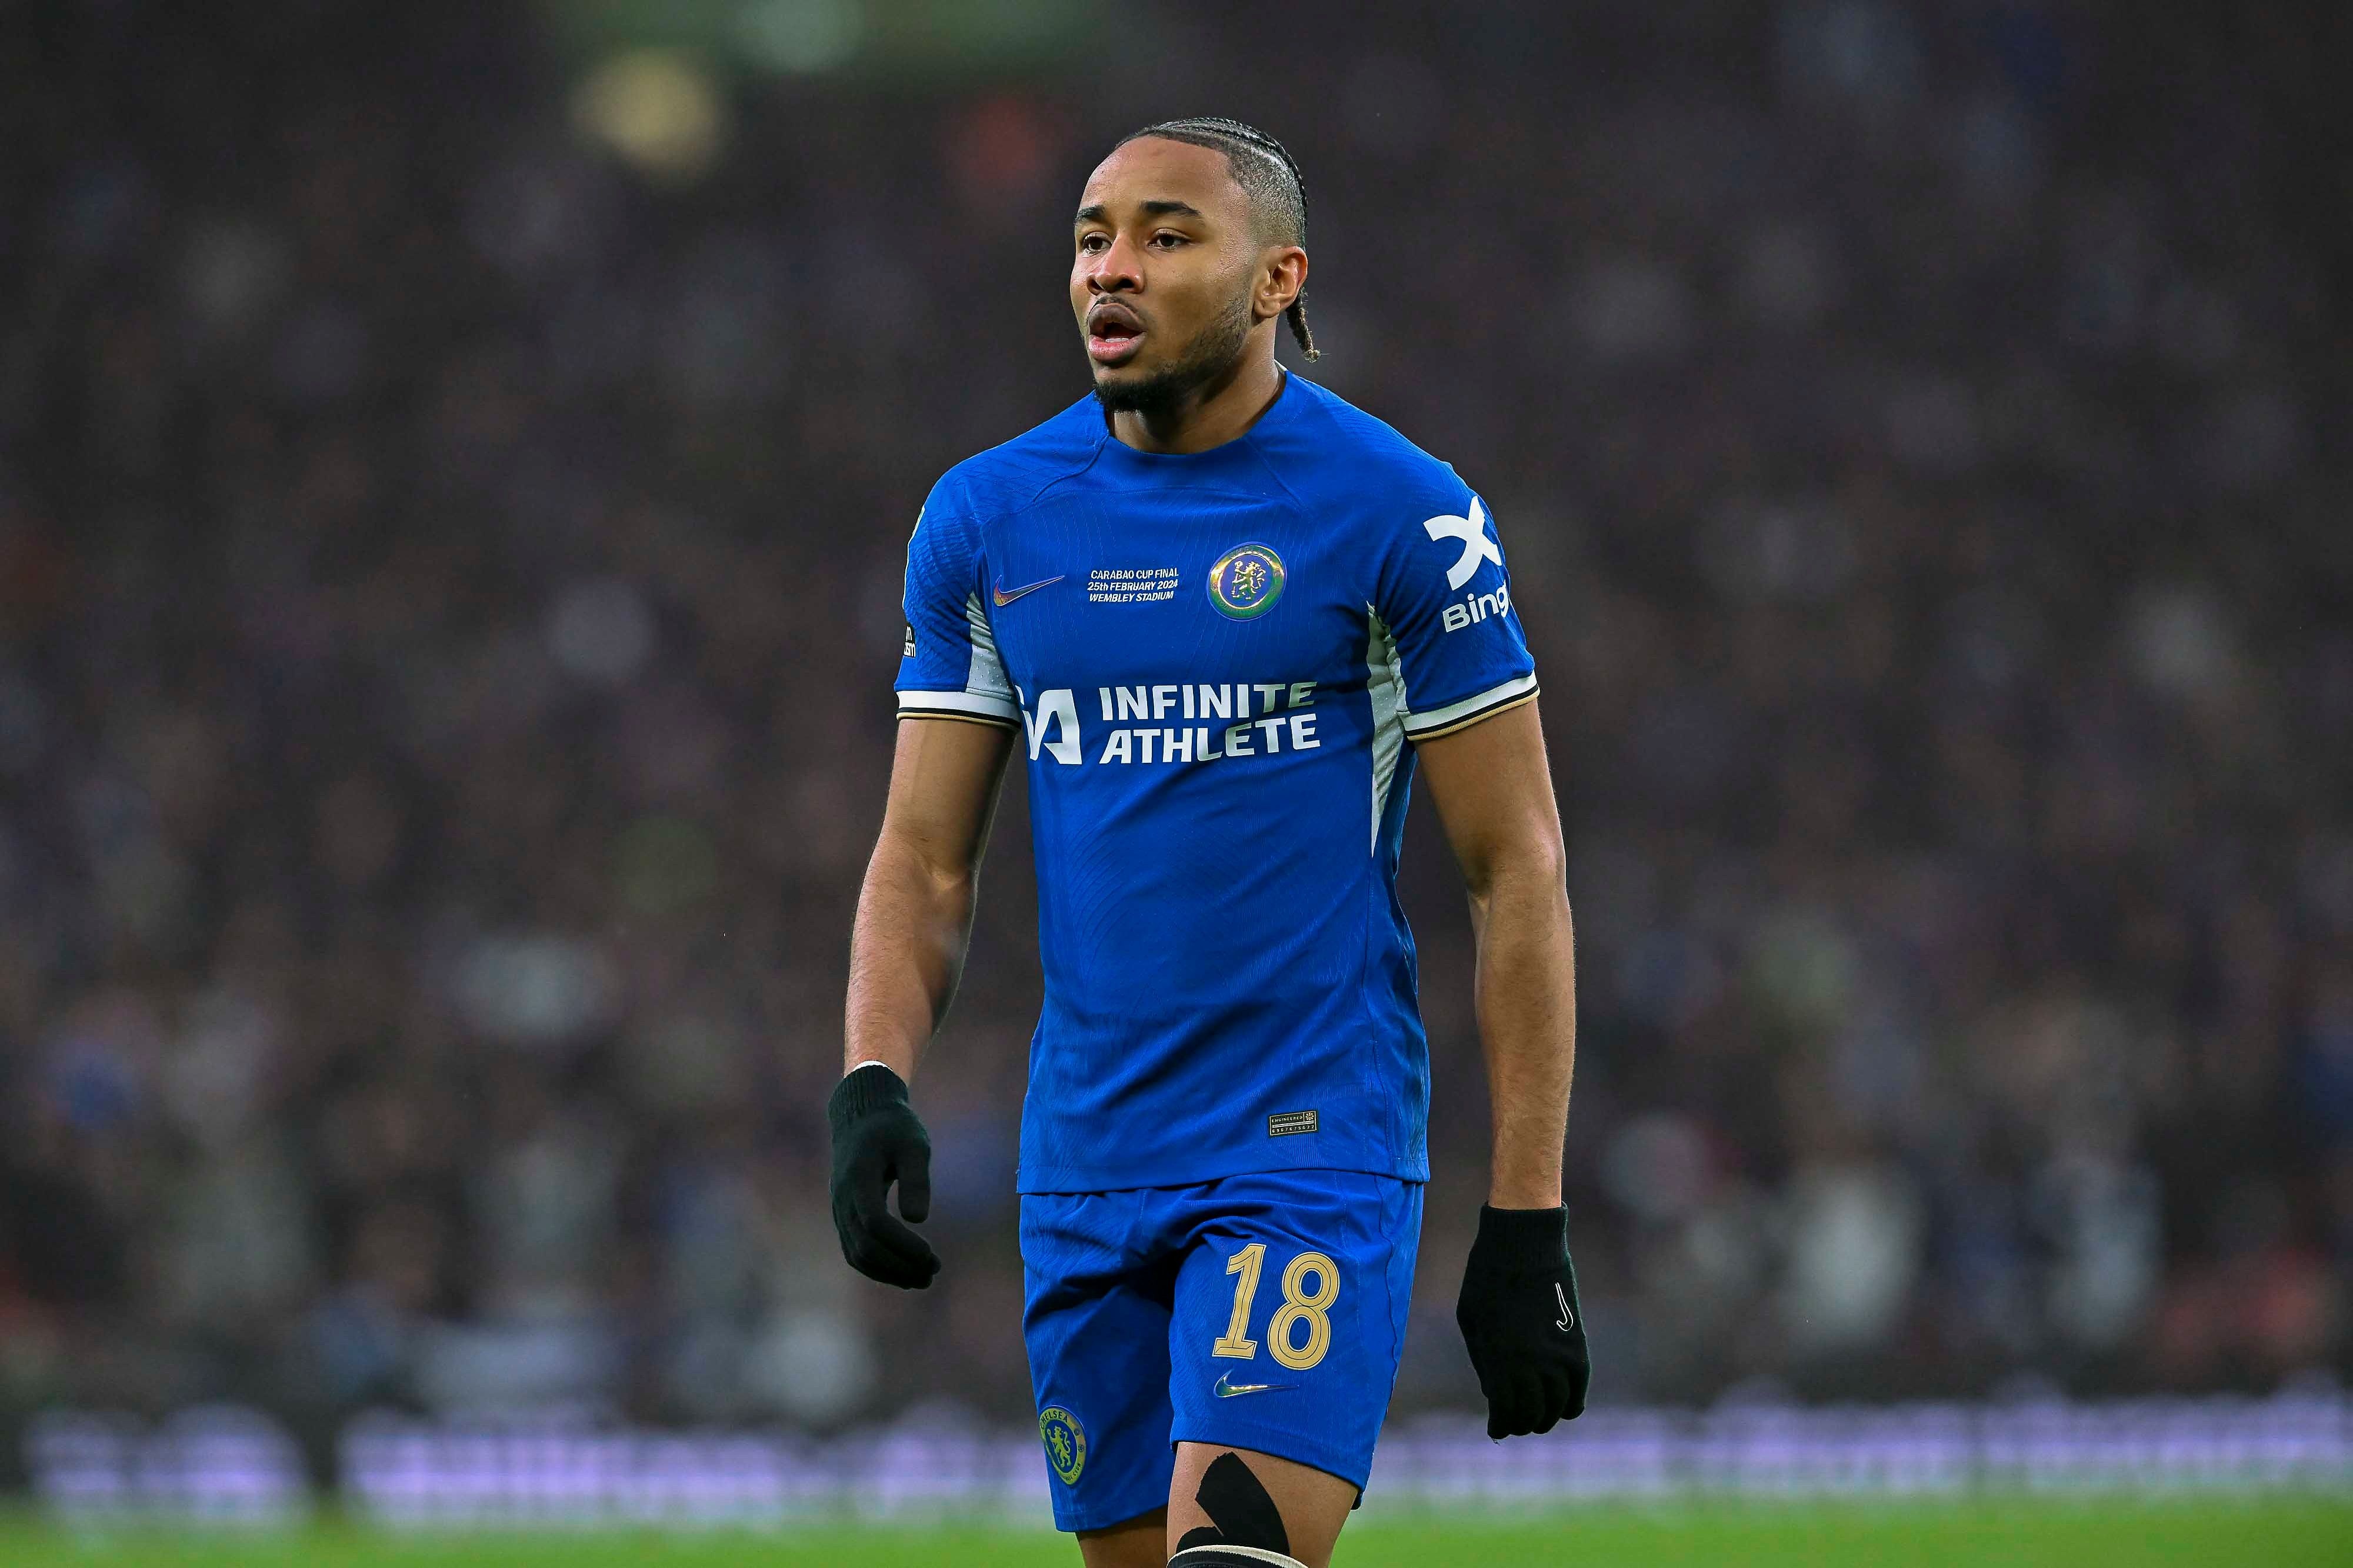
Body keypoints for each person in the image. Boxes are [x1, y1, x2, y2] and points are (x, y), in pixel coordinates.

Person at [830, 116, 1588, 1568]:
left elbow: (1516, 868)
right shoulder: (987, 519)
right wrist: (871, 1079)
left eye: (1165, 236)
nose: (1110, 269)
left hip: (1305, 1147)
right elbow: (923, 860)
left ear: (1275, 279)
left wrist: (1525, 1215)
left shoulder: (1401, 513)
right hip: (1086, 1158)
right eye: (1090, 238)